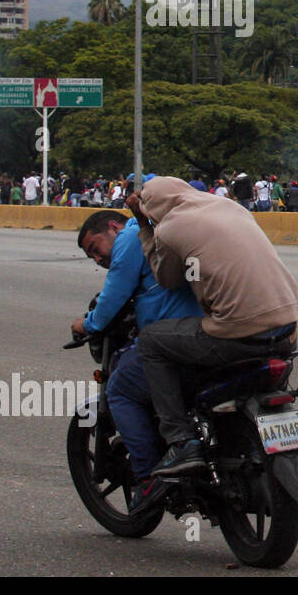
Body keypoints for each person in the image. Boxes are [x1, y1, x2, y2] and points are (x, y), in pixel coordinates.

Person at [128, 177, 298, 476]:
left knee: (151, 342)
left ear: (153, 207)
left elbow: (167, 278)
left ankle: (180, 442)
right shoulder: (231, 207)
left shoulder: (169, 228)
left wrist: (144, 227)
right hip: (287, 329)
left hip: (237, 335)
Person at [74, 209, 204, 512]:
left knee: (120, 389)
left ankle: (148, 479)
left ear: (113, 226)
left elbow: (112, 298)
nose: (96, 259)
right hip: (224, 328)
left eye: (95, 248)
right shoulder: (161, 232)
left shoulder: (129, 238)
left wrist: (86, 324)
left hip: (178, 337)